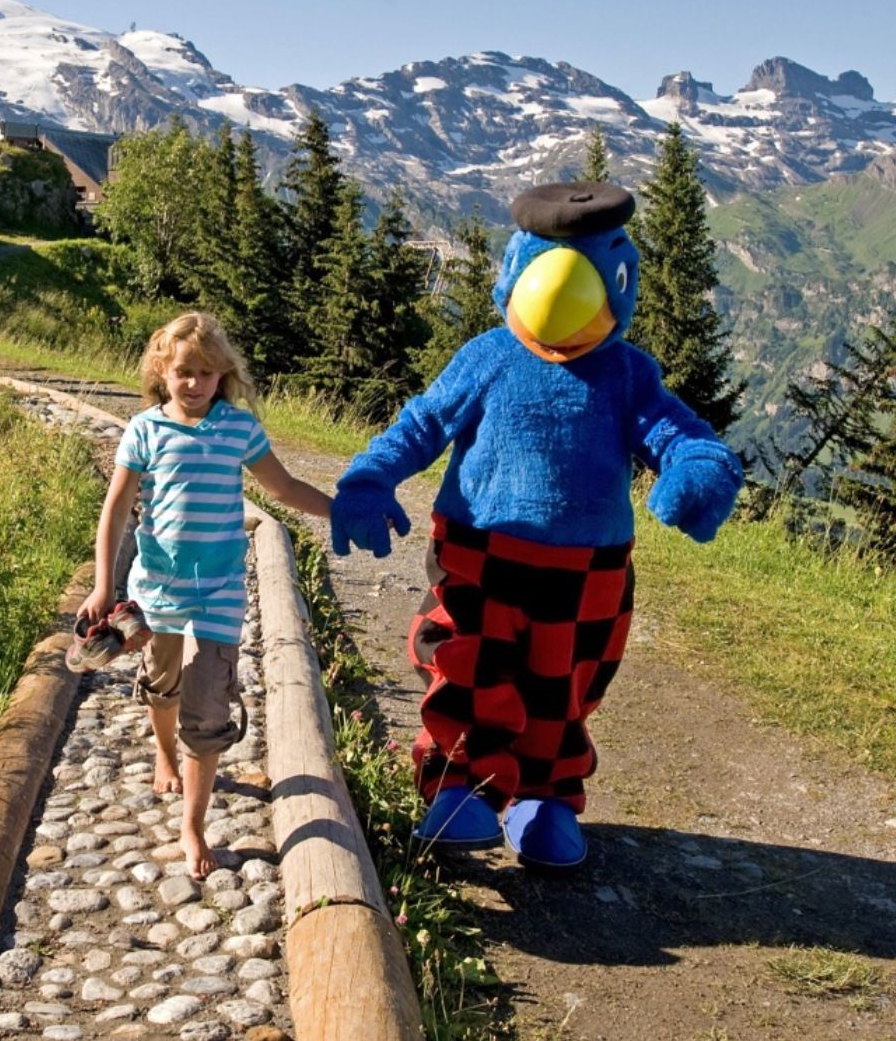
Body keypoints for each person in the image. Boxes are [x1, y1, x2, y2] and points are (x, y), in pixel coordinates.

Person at [330, 182, 741, 871]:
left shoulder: (627, 374)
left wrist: (697, 472)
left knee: (563, 684)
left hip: (585, 573)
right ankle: (460, 784)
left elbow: (681, 435)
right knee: (467, 669)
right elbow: (424, 420)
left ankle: (544, 798)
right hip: (477, 554)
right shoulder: (488, 357)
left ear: (620, 278)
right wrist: (370, 476)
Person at [78, 312, 333, 878]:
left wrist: (340, 513)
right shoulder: (145, 429)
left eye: (205, 373)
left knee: (208, 704)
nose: (193, 383)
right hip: (157, 588)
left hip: (219, 589)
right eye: (182, 372)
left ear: (223, 375)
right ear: (161, 373)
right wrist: (103, 585)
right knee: (160, 682)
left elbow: (283, 486)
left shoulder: (238, 428)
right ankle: (164, 750)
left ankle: (193, 826)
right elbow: (117, 508)